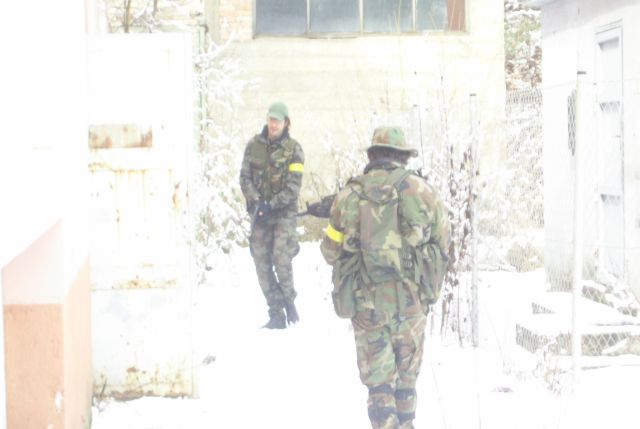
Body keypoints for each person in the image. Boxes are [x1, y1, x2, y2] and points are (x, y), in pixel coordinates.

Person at [320, 127, 450, 429]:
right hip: (411, 306)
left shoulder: (349, 195)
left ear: (372, 155)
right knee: (406, 384)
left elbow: (329, 251)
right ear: (403, 157)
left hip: (368, 308)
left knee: (380, 389)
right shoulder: (424, 192)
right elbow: (443, 246)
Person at [240, 102, 304, 329]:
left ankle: (289, 300)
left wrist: (272, 204)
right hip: (260, 212)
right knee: (261, 261)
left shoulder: (294, 150)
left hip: (283, 213)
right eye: (270, 119)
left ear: (286, 122)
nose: (273, 124)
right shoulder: (253, 146)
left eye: (277, 120)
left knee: (280, 257)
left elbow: (293, 188)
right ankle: (276, 312)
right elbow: (244, 178)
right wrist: (257, 201)